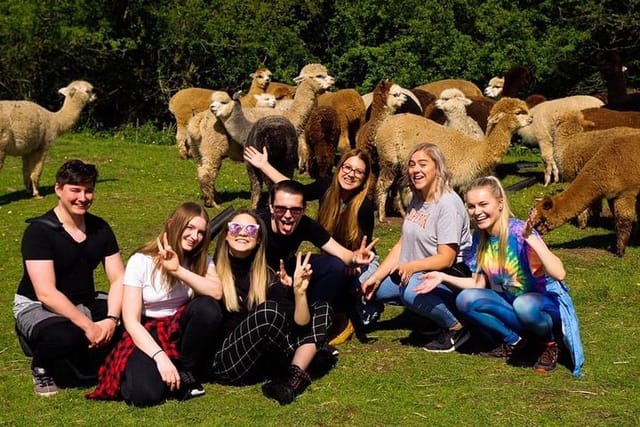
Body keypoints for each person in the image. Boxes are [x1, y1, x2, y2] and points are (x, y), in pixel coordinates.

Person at [418, 176, 584, 375]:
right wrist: (442, 277)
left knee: (524, 304)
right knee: (465, 299)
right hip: (513, 307)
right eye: (471, 206)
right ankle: (515, 341)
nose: (477, 212)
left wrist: (533, 239)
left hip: (543, 309)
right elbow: (477, 283)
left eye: (483, 204)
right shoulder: (480, 237)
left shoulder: (519, 232)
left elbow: (559, 273)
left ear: (500, 203)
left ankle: (549, 343)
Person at [87, 202, 223, 406]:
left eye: (201, 232)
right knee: (145, 396)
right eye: (190, 228)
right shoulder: (141, 260)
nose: (195, 237)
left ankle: (186, 370)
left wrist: (178, 270)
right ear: (171, 224)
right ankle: (156, 369)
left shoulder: (201, 261)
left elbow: (216, 292)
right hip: (147, 329)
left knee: (207, 308)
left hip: (180, 329)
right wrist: (160, 357)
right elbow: (131, 321)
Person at [12, 159, 125, 397]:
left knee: (137, 313)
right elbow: (46, 293)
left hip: (85, 300)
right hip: (40, 304)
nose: (82, 197)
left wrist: (111, 320)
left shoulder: (100, 228)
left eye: (88, 190)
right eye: (75, 190)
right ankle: (40, 364)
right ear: (58, 189)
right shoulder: (39, 232)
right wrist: (89, 327)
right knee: (67, 336)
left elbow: (118, 279)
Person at [244, 146, 377, 342]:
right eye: (347, 168)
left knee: (337, 268)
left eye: (358, 171)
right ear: (272, 207)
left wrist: (354, 259)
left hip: (360, 258)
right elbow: (296, 190)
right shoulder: (258, 224)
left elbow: (352, 250)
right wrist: (265, 166)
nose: (351, 174)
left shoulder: (363, 206)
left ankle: (327, 316)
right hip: (261, 274)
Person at [210, 209, 331, 405]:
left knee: (322, 308)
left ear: (258, 239)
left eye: (250, 229)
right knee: (268, 312)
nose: (242, 232)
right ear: (225, 235)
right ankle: (308, 360)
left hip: (260, 361)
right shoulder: (211, 273)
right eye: (235, 227)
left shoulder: (265, 276)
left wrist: (298, 293)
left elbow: (299, 326)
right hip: (228, 364)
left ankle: (292, 378)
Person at [360, 142, 472, 353]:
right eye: (412, 165)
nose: (415, 170)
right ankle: (430, 320)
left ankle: (456, 327)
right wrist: (375, 277)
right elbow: (404, 243)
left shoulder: (447, 204)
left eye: (423, 164)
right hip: (418, 270)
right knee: (376, 286)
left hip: (447, 274)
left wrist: (411, 267)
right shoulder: (417, 198)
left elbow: (446, 258)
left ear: (437, 168)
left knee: (411, 291)